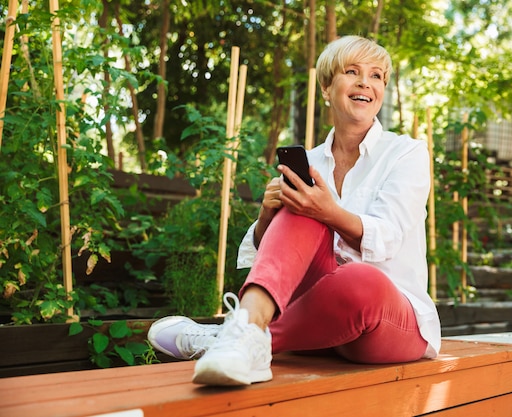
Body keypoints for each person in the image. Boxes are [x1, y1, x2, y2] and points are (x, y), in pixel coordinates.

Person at [148, 35, 441, 386]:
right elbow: (268, 257)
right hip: (317, 321)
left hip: (388, 320)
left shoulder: (406, 153)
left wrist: (328, 211)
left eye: (377, 75)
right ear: (326, 87)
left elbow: (388, 237)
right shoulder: (310, 162)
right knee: (298, 206)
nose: (366, 82)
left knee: (359, 278)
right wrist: (266, 217)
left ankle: (225, 338)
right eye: (352, 71)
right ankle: (247, 332)